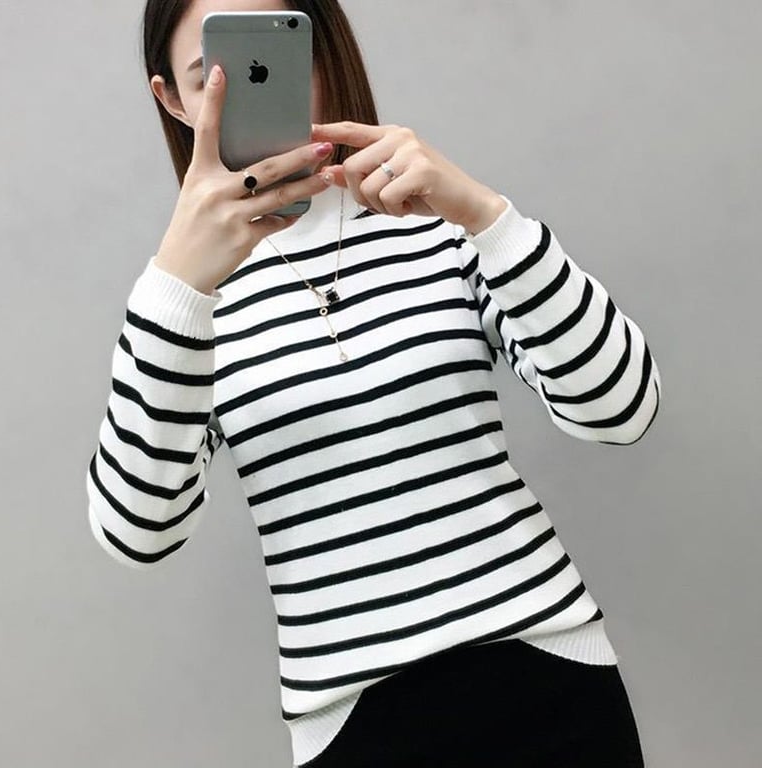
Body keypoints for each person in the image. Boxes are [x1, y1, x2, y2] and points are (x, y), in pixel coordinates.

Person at [86, 0, 661, 765]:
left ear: (322, 52)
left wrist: (487, 215)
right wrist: (176, 289)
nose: (252, 90)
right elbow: (138, 529)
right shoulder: (184, 298)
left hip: (549, 677)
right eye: (212, 76)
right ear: (172, 99)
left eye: (276, 61)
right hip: (349, 721)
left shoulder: (436, 223)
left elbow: (621, 407)